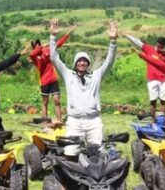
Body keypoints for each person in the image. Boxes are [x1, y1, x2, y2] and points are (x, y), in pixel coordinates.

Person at [50, 18, 118, 156]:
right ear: (75, 64)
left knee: (97, 154)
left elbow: (109, 62)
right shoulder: (68, 75)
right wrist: (53, 37)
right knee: (70, 154)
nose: (82, 63)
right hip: (74, 121)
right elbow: (54, 58)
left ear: (88, 64)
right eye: (79, 61)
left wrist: (113, 41)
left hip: (93, 121)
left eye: (85, 61)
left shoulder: (96, 76)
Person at [125, 34, 165, 117]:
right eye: (157, 45)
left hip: (163, 80)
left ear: (163, 46)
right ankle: (152, 119)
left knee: (162, 100)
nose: (158, 47)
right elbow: (138, 43)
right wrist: (128, 36)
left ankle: (163, 119)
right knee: (153, 100)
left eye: (160, 46)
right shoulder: (150, 49)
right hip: (152, 79)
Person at [28, 25, 74, 122]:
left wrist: (68, 34)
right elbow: (32, 53)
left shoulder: (47, 50)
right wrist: (42, 46)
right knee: (45, 102)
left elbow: (58, 44)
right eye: (36, 47)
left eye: (38, 45)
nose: (38, 48)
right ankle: (45, 122)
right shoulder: (34, 57)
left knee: (57, 101)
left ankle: (59, 121)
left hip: (53, 79)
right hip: (44, 81)